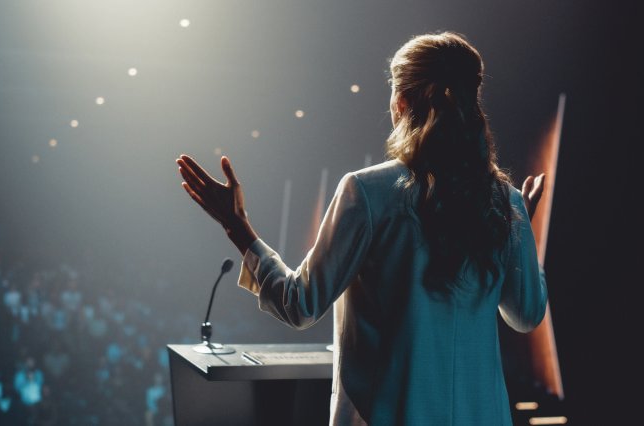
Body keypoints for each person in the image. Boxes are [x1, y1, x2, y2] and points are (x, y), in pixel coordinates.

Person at [176, 32, 547, 426]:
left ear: (401, 102)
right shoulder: (503, 202)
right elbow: (526, 314)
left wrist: (237, 226)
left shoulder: (367, 192)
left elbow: (300, 305)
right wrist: (521, 225)